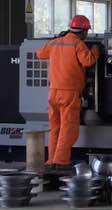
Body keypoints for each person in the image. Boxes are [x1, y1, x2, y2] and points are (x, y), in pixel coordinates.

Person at [37, 15, 100, 168]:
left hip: (53, 93)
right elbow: (88, 61)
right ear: (83, 31)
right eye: (87, 32)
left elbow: (40, 54)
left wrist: (54, 40)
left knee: (55, 128)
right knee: (68, 128)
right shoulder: (78, 44)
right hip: (69, 93)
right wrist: (96, 50)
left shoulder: (55, 42)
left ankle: (51, 160)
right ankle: (60, 161)